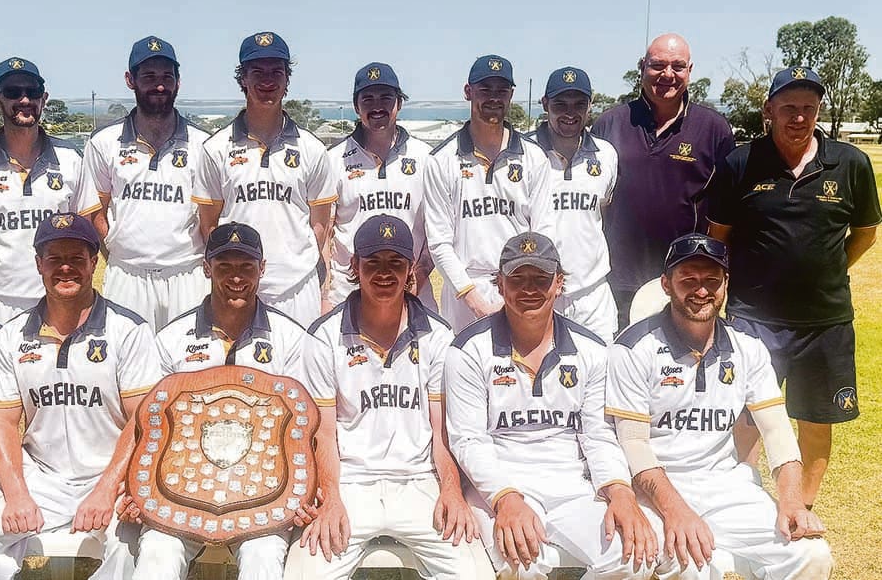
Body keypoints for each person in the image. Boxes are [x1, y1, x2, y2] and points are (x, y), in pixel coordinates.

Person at [606, 233, 834, 578]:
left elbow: (776, 432)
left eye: (712, 280)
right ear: (666, 284)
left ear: (726, 284)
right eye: (689, 280)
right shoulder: (633, 349)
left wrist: (790, 499)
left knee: (811, 555)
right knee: (690, 565)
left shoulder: (749, 349)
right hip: (656, 490)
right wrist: (675, 511)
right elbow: (634, 445)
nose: (701, 290)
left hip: (727, 486)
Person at [706, 67, 881, 508]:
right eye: (788, 108)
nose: (799, 117)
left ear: (818, 109)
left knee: (816, 418)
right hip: (754, 318)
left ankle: (800, 507)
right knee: (746, 416)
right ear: (769, 111)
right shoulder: (742, 162)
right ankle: (743, 501)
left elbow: (864, 232)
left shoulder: (850, 162)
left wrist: (829, 268)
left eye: (808, 107)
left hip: (825, 319)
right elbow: (718, 234)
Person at [444, 232, 664, 579]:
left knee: (632, 558)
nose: (529, 289)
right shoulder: (468, 350)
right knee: (521, 564)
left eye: (540, 279)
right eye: (517, 279)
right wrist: (505, 498)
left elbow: (599, 435)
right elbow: (469, 440)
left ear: (559, 283)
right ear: (500, 284)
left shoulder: (591, 350)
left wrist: (620, 491)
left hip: (572, 486)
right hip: (502, 482)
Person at [288, 215, 488, 579]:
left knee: (475, 574)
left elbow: (441, 431)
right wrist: (330, 497)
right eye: (373, 263)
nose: (384, 274)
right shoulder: (323, 337)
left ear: (411, 268)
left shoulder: (438, 336)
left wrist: (452, 492)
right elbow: (323, 434)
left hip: (419, 483)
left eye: (395, 263)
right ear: (354, 265)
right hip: (350, 484)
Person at [0, 213, 159, 579]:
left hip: (111, 475)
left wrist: (106, 489)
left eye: (76, 258)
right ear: (39, 264)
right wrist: (17, 493)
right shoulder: (12, 335)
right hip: (42, 476)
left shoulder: (129, 330)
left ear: (93, 262)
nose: (65, 268)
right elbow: (1, 422)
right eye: (54, 259)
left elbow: (142, 420)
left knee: (131, 543)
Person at [125, 221, 318, 580]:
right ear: (206, 267)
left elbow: (302, 431)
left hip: (263, 497)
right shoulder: (170, 340)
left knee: (263, 558)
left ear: (262, 269)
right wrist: (140, 489)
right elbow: (149, 427)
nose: (236, 277)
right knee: (155, 556)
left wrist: (304, 494)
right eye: (225, 266)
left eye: (246, 267)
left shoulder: (291, 339)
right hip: (180, 493)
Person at [591, 33, 734, 329]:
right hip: (617, 279)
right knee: (622, 367)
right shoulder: (610, 123)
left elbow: (724, 212)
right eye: (657, 65)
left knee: (681, 370)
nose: (667, 75)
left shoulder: (714, 129)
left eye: (677, 66)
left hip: (686, 281)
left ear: (690, 71)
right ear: (642, 66)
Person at [195, 31, 337, 327]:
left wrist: (292, 264)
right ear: (242, 79)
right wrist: (236, 272)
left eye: (277, 72)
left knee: (299, 373)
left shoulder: (312, 149)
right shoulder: (215, 149)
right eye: (257, 72)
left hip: (297, 289)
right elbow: (209, 225)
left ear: (287, 79)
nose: (267, 81)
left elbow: (320, 225)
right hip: (239, 288)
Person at [0, 57, 96, 325]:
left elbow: (84, 232)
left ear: (44, 98)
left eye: (33, 92)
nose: (25, 100)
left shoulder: (72, 158)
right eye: (13, 92)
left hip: (57, 299)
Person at [80, 36, 211, 328]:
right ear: (131, 80)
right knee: (129, 368)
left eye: (167, 76)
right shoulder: (103, 143)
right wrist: (116, 248)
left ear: (179, 82)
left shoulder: (204, 144)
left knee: (188, 366)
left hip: (187, 275)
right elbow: (94, 211)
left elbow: (210, 215)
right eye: (149, 76)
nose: (159, 85)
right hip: (127, 275)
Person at [424, 55, 555, 332]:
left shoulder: (534, 158)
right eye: (485, 90)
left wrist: (519, 289)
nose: (493, 98)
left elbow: (542, 232)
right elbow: (439, 242)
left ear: (511, 95)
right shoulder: (441, 160)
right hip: (463, 292)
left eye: (501, 91)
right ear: (468, 91)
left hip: (519, 286)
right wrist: (472, 298)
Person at [324, 63, 436, 311]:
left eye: (386, 97)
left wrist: (418, 276)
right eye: (368, 99)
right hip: (348, 294)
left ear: (399, 103)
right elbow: (325, 235)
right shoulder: (333, 160)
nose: (377, 106)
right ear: (356, 106)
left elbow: (437, 230)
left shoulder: (427, 158)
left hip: (412, 294)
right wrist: (325, 297)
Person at [526, 67, 619, 340]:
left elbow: (602, 211)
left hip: (593, 293)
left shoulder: (607, 155)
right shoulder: (524, 153)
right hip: (538, 289)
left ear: (590, 105)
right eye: (560, 105)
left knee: (600, 378)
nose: (570, 113)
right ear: (545, 104)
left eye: (579, 104)